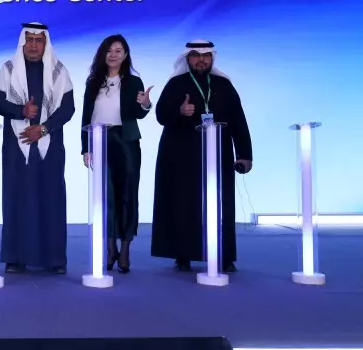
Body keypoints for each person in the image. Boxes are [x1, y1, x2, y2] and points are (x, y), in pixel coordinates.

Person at [151, 40, 253, 272]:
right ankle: (183, 254)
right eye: (196, 55)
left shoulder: (224, 85)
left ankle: (224, 255)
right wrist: (179, 111)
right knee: (184, 203)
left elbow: (238, 120)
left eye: (206, 56)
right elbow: (161, 115)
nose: (201, 60)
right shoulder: (176, 84)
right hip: (181, 155)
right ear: (187, 58)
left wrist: (244, 154)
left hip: (218, 154)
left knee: (221, 203)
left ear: (212, 58)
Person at [0, 23, 76, 274]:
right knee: (16, 197)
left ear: (45, 44)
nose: (33, 45)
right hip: (16, 145)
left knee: (51, 198)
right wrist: (21, 111)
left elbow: (68, 108)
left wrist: (43, 128)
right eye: (29, 39)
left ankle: (54, 259)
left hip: (50, 145)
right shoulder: (8, 70)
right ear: (22, 42)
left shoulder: (59, 72)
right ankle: (15, 257)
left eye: (38, 40)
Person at [80, 34, 152, 274]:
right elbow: (86, 116)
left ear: (125, 55)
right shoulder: (93, 82)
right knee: (106, 197)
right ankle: (110, 249)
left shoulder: (133, 82)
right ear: (103, 54)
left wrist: (145, 104)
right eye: (109, 50)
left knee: (128, 195)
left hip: (126, 142)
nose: (113, 55)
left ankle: (125, 250)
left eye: (118, 51)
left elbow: (138, 113)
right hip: (100, 140)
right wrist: (86, 147)